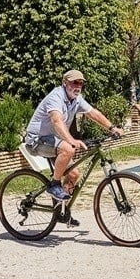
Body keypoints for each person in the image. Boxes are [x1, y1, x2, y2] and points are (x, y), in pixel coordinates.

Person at [24, 70, 124, 212]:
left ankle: (61, 210)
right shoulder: (56, 97)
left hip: (53, 141)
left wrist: (112, 127)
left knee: (73, 175)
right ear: (64, 83)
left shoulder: (76, 99)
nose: (78, 86)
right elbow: (56, 121)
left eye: (81, 83)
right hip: (36, 140)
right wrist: (71, 140)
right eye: (74, 82)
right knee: (68, 149)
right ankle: (54, 185)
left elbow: (92, 113)